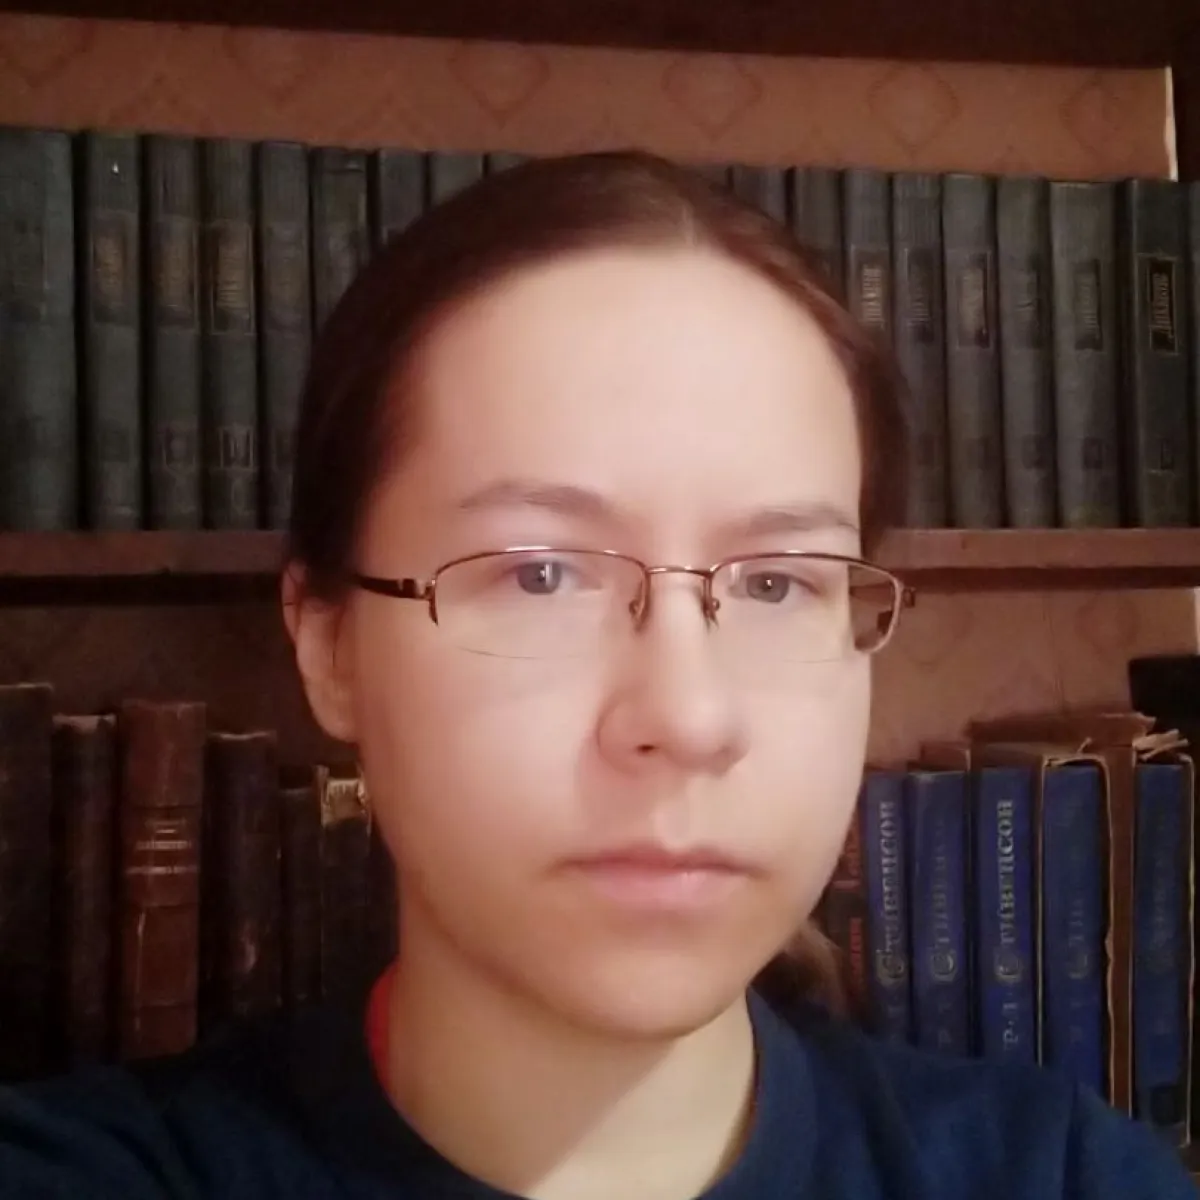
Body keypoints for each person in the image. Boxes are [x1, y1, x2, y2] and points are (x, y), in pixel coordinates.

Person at [0, 149, 1193, 1199]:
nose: (689, 716)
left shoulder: (1067, 1177)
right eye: (540, 573)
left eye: (778, 583)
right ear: (325, 641)